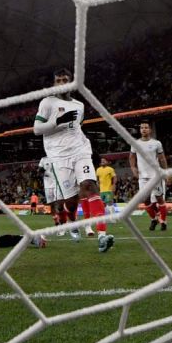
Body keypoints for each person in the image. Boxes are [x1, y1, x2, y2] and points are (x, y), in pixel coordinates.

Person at [33, 68, 113, 252]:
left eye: (65, 80)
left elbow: (77, 127)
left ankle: (102, 235)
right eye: (58, 80)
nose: (62, 83)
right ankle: (70, 222)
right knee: (70, 201)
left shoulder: (79, 105)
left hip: (80, 150)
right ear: (54, 83)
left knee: (90, 186)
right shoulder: (47, 102)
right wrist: (57, 121)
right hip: (59, 156)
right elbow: (37, 129)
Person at [131, 122, 169, 231]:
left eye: (146, 127)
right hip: (142, 177)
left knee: (159, 198)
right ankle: (154, 219)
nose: (144, 129)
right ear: (140, 130)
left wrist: (165, 172)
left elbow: (162, 159)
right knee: (146, 200)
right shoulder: (135, 143)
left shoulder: (157, 143)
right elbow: (131, 157)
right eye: (142, 127)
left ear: (150, 130)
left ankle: (163, 221)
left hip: (155, 176)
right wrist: (133, 168)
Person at [95, 157, 117, 228]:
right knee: (103, 205)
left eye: (104, 161)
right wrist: (97, 184)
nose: (103, 162)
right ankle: (105, 218)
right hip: (101, 190)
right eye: (101, 161)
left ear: (107, 162)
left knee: (110, 203)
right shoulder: (98, 170)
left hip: (108, 189)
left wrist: (114, 185)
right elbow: (97, 178)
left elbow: (114, 177)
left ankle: (113, 218)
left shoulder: (110, 169)